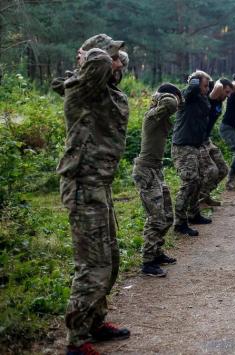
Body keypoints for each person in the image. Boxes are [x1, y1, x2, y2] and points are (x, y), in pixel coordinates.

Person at [55, 34, 130, 355]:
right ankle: (77, 339)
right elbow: (99, 63)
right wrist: (92, 55)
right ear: (89, 60)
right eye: (114, 57)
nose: (118, 63)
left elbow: (106, 66)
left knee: (110, 260)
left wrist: (103, 57)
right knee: (94, 264)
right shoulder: (82, 91)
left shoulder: (104, 92)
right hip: (84, 185)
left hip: (100, 184)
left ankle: (95, 320)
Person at [132, 83, 182, 278]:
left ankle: (157, 251)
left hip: (156, 169)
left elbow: (170, 106)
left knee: (168, 214)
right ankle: (148, 262)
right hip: (145, 170)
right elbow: (170, 103)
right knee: (155, 217)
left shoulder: (159, 115)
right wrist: (168, 95)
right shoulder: (152, 115)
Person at [171, 70, 213, 237]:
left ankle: (193, 214)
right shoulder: (186, 96)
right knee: (189, 182)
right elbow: (191, 90)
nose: (207, 89)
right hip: (183, 146)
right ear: (195, 83)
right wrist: (195, 81)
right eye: (204, 85)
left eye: (208, 86)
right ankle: (179, 222)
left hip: (195, 145)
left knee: (198, 180)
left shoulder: (201, 99)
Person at [198, 78, 233, 206]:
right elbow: (218, 86)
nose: (228, 96)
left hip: (207, 140)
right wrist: (218, 82)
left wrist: (228, 88)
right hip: (198, 141)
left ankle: (205, 195)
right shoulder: (211, 98)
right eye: (227, 92)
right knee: (211, 171)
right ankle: (198, 200)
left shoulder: (219, 102)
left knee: (223, 169)